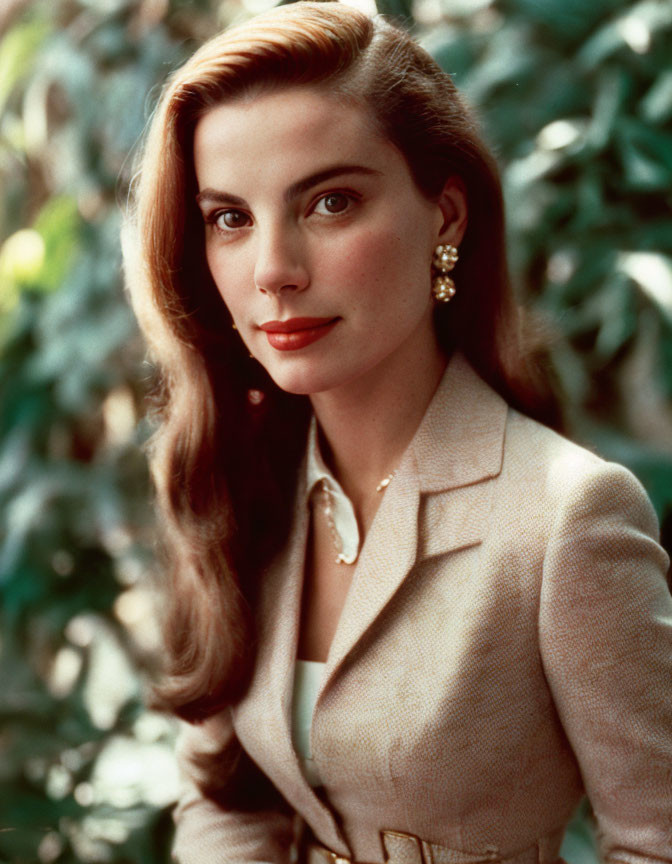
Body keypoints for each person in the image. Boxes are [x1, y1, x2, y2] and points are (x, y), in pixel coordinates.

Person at [122, 3, 672, 863]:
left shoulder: (569, 520)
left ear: (445, 215)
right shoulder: (245, 481)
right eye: (230, 217)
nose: (273, 271)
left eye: (330, 202)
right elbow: (223, 794)